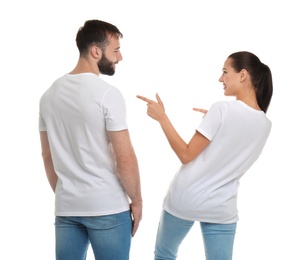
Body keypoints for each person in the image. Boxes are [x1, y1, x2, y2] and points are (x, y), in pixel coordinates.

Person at [137, 51, 273, 260]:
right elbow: (231, 150)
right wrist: (216, 122)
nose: (221, 79)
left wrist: (162, 118)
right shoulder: (265, 124)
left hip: (186, 198)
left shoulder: (222, 109)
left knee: (165, 254)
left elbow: (186, 154)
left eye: (225, 72)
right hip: (222, 207)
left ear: (243, 75)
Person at [39, 19, 142, 260]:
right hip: (107, 208)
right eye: (115, 50)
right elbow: (124, 157)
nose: (120, 57)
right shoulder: (107, 94)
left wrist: (69, 193)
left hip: (67, 208)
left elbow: (47, 155)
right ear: (96, 51)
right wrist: (136, 201)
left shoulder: (48, 96)